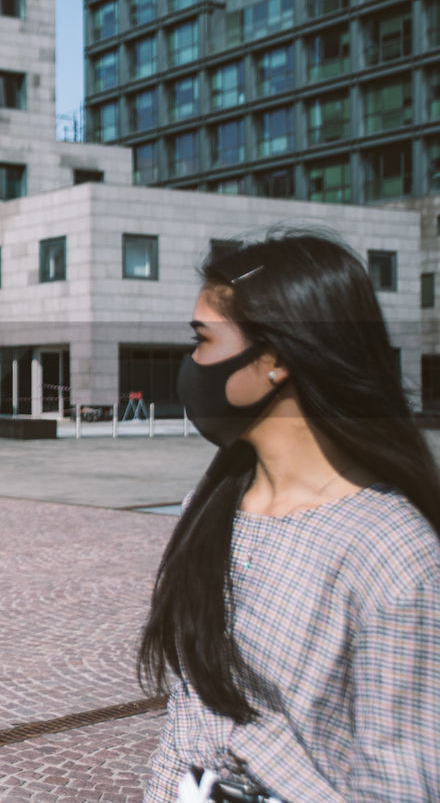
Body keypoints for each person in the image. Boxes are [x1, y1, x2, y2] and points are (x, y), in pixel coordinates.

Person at [140, 233, 440, 802]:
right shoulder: (208, 501)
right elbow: (186, 713)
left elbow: (402, 785)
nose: (192, 363)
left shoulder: (393, 552)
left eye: (202, 340)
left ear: (275, 358)